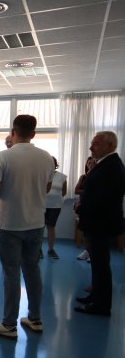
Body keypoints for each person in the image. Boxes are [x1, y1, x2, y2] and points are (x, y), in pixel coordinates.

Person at [0, 114, 54, 339]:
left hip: (10, 224)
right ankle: (35, 319)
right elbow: (46, 188)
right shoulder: (47, 158)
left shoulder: (3, 156)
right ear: (33, 133)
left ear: (13, 131)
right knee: (32, 270)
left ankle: (9, 325)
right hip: (35, 224)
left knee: (11, 272)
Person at [74, 131, 125, 316]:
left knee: (101, 265)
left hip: (101, 224)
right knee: (97, 264)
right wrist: (82, 204)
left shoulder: (112, 166)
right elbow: (95, 192)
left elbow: (104, 199)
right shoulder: (105, 164)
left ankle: (102, 306)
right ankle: (95, 296)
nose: (91, 147)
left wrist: (81, 208)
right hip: (97, 222)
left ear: (109, 145)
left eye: (95, 144)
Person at [43, 157, 67, 259]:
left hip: (55, 206)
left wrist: (55, 199)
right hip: (41, 205)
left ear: (55, 164)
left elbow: (64, 191)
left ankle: (50, 250)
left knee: (51, 227)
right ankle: (38, 250)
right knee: (39, 228)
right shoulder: (41, 175)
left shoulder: (62, 177)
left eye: (52, 163)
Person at [74, 157, 95, 262]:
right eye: (88, 163)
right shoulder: (83, 177)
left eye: (92, 163)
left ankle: (93, 253)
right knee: (85, 231)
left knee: (94, 231)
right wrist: (87, 192)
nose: (90, 164)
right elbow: (76, 190)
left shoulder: (98, 176)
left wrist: (86, 191)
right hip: (83, 206)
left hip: (95, 208)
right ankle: (87, 251)